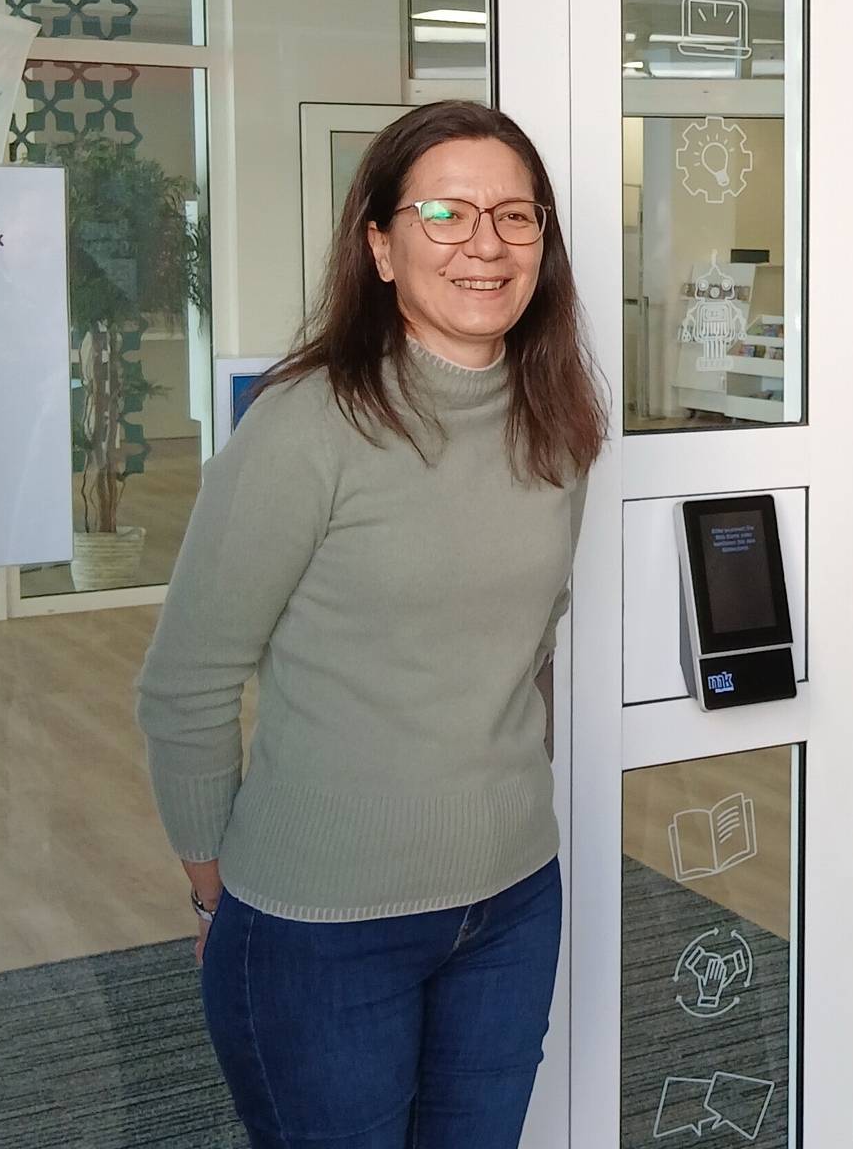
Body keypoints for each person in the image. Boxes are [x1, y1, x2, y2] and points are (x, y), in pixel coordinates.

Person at [135, 100, 605, 1148]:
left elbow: (531, 648)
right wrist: (217, 893)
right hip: (319, 923)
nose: (485, 243)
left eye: (516, 216)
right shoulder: (306, 428)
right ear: (381, 246)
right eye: (446, 212)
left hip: (512, 904)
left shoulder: (559, 423)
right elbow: (186, 684)